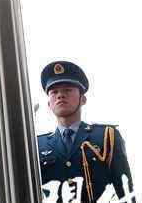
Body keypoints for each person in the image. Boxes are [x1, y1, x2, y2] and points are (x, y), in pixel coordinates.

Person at [37, 61, 134, 203]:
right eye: (54, 92)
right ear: (49, 104)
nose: (60, 95)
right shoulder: (38, 145)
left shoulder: (107, 136)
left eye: (68, 90)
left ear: (83, 99)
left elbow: (125, 191)